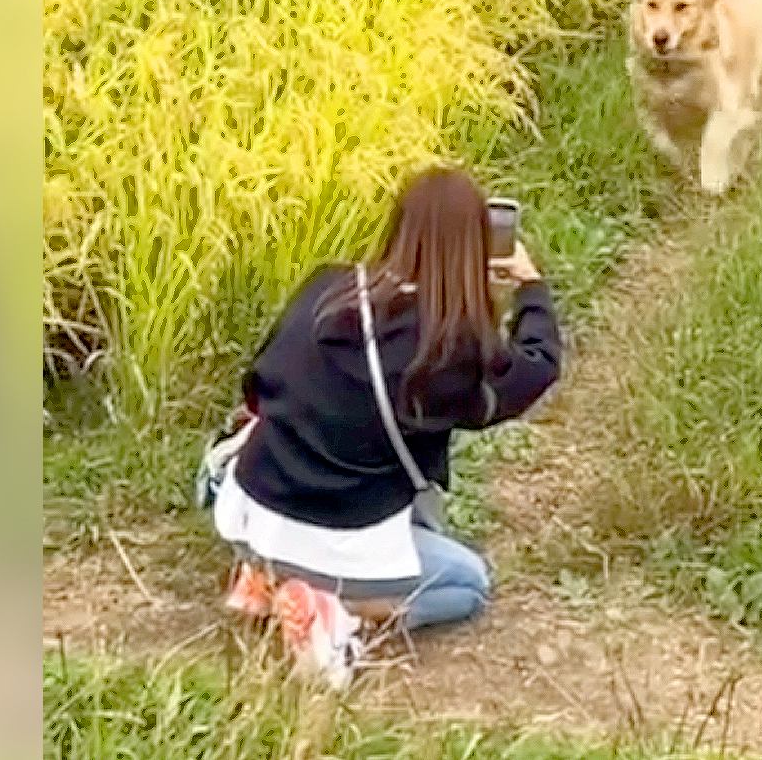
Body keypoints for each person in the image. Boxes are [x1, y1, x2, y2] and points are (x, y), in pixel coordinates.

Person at [210, 166, 561, 637]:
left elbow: (257, 384)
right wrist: (530, 287)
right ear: (474, 246)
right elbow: (535, 368)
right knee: (468, 585)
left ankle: (263, 579)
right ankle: (334, 610)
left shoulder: (326, 286)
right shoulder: (447, 348)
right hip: (341, 532)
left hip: (256, 507)